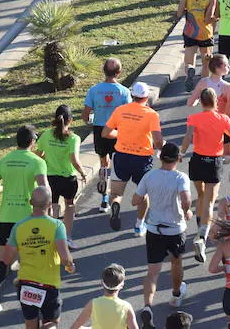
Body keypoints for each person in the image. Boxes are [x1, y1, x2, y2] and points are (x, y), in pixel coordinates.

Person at [0, 125, 49, 313]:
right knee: (30, 258)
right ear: (32, 141)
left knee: (3, 261)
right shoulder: (37, 161)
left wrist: (2, 189)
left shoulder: (5, 160)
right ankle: (30, 299)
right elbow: (45, 190)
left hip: (6, 217)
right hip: (28, 217)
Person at [0, 187, 73, 329]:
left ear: (31, 202)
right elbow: (65, 258)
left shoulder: (18, 227)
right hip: (48, 284)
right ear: (49, 203)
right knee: (51, 324)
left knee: (31, 324)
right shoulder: (57, 225)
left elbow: (6, 259)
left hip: (26, 284)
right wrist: (70, 265)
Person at [133, 141, 192, 317]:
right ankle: (175, 295)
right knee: (176, 263)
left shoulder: (150, 176)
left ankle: (147, 306)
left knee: (152, 272)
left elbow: (136, 200)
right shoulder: (181, 177)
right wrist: (186, 210)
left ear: (160, 157)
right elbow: (186, 198)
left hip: (154, 229)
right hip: (175, 229)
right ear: (178, 159)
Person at [182, 91, 230, 261]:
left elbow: (188, 136)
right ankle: (202, 237)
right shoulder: (223, 119)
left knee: (200, 196)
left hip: (197, 160)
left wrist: (181, 152)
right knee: (209, 201)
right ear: (216, 101)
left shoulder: (194, 118)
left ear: (201, 101)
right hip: (214, 162)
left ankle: (200, 226)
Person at [103, 82, 163, 234]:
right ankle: (139, 225)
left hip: (121, 156)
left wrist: (120, 134)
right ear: (146, 97)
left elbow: (105, 133)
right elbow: (157, 141)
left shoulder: (120, 110)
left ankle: (115, 205)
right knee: (143, 194)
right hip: (142, 159)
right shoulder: (152, 114)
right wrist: (162, 149)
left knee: (116, 193)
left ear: (132, 95)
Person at [84, 59, 131, 213]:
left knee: (104, 163)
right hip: (117, 130)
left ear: (103, 71)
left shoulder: (94, 90)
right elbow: (128, 113)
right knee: (116, 163)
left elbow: (85, 115)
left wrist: (90, 120)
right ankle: (114, 196)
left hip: (99, 129)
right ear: (119, 72)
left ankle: (104, 200)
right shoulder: (124, 91)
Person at [37, 104, 86, 243]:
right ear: (70, 120)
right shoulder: (74, 138)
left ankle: (52, 236)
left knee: (53, 205)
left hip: (50, 178)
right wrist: (82, 173)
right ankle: (67, 237)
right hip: (68, 179)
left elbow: (38, 154)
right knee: (69, 205)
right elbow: (74, 159)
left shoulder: (46, 134)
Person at [177, 0, 218, 88]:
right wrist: (217, 18)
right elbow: (207, 19)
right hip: (205, 34)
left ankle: (190, 69)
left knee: (189, 60)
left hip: (190, 31)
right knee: (206, 63)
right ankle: (204, 88)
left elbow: (179, 12)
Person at [68, 264, 138, 329]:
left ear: (102, 283)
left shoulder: (94, 303)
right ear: (122, 285)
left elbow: (76, 325)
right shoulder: (126, 306)